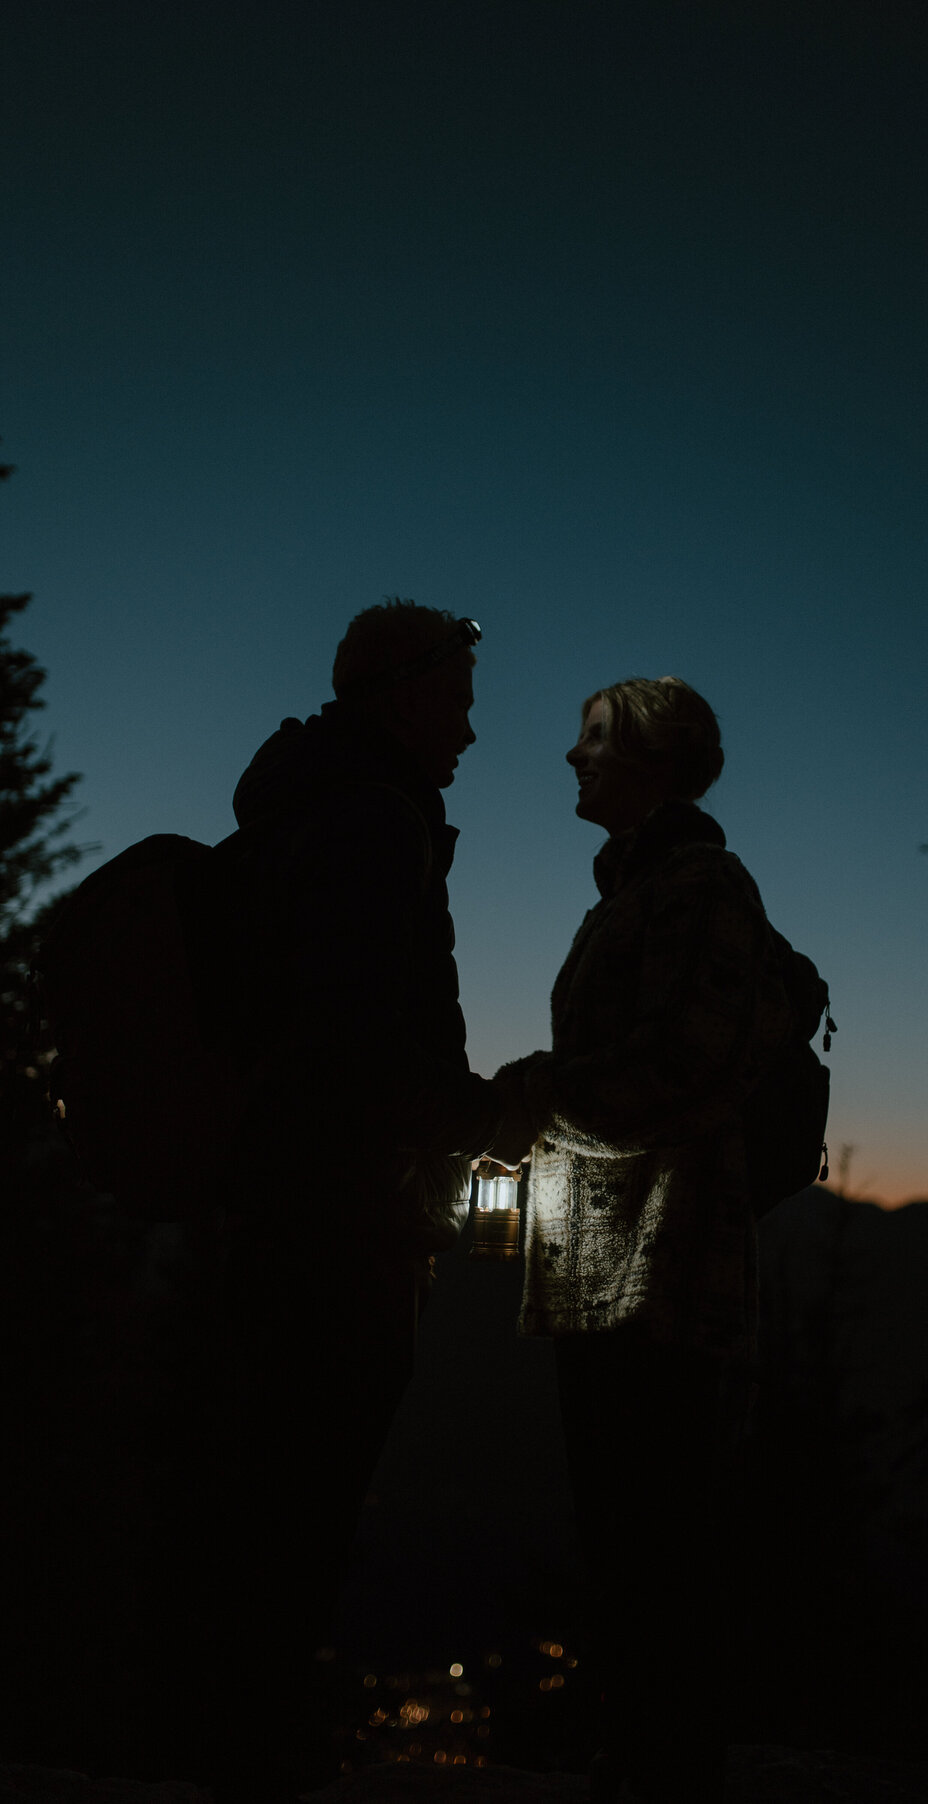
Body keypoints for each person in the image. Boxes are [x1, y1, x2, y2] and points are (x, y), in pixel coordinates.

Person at [150, 601, 531, 1799]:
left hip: (268, 1209)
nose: (473, 729)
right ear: (406, 696)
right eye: (460, 700)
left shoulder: (305, 812)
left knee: (261, 1503)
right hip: (335, 1226)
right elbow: (362, 1038)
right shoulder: (371, 823)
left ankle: (232, 1742)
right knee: (297, 1514)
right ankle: (255, 1756)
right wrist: (484, 1111)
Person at [493, 677, 793, 1804]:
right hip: (607, 1262)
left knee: (657, 1534)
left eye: (595, 743)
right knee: (627, 1532)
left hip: (662, 1263)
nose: (572, 759)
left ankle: (666, 1767)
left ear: (656, 763)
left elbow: (689, 1060)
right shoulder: (642, 887)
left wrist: (527, 1096)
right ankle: (647, 1757)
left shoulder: (700, 883)